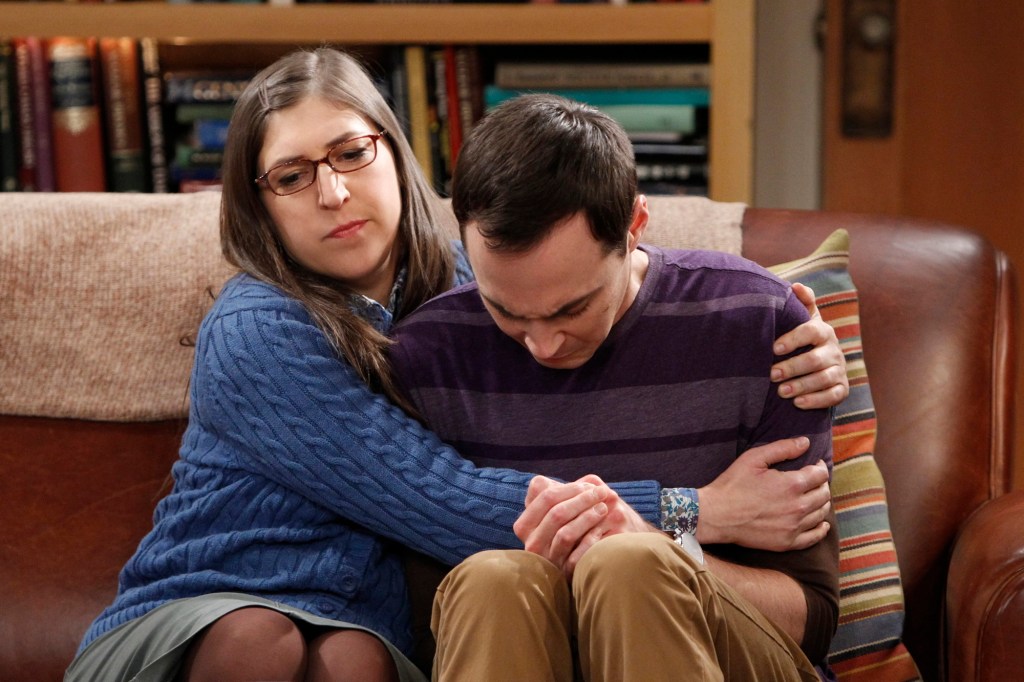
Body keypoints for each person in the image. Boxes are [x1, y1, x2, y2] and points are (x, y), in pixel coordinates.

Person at [65, 49, 844, 682]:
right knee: (265, 642)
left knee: (356, 657)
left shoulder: (475, 287)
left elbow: (601, 265)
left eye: (349, 152)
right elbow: (438, 499)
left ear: (390, 150)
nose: (334, 193)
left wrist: (809, 329)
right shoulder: (260, 330)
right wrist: (690, 509)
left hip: (359, 618)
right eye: (293, 176)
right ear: (259, 201)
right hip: (229, 597)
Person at [388, 92, 840, 681]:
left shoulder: (758, 323)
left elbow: (812, 622)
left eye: (571, 309)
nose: (542, 345)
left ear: (634, 227)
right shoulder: (426, 356)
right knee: (493, 579)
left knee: (630, 563)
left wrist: (664, 546)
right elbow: (417, 619)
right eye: (508, 312)